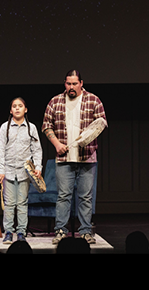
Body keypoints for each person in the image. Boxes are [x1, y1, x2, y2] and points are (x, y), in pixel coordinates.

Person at [42, 69, 107, 245]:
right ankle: (61, 231)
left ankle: (85, 231)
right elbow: (47, 126)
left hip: (87, 157)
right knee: (63, 196)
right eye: (68, 84)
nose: (71, 87)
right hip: (63, 158)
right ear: (65, 84)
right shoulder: (55, 101)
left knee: (85, 196)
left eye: (74, 84)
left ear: (81, 83)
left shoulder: (93, 100)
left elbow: (101, 123)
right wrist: (56, 144)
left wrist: (87, 138)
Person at [0, 97, 42, 244]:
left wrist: (38, 168)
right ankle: (8, 231)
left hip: (24, 172)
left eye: (20, 106)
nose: (17, 108)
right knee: (9, 204)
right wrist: (0, 170)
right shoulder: (5, 127)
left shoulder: (31, 128)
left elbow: (37, 150)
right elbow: (0, 150)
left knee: (22, 203)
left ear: (25, 109)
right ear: (10, 110)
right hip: (8, 171)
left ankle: (21, 232)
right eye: (14, 106)